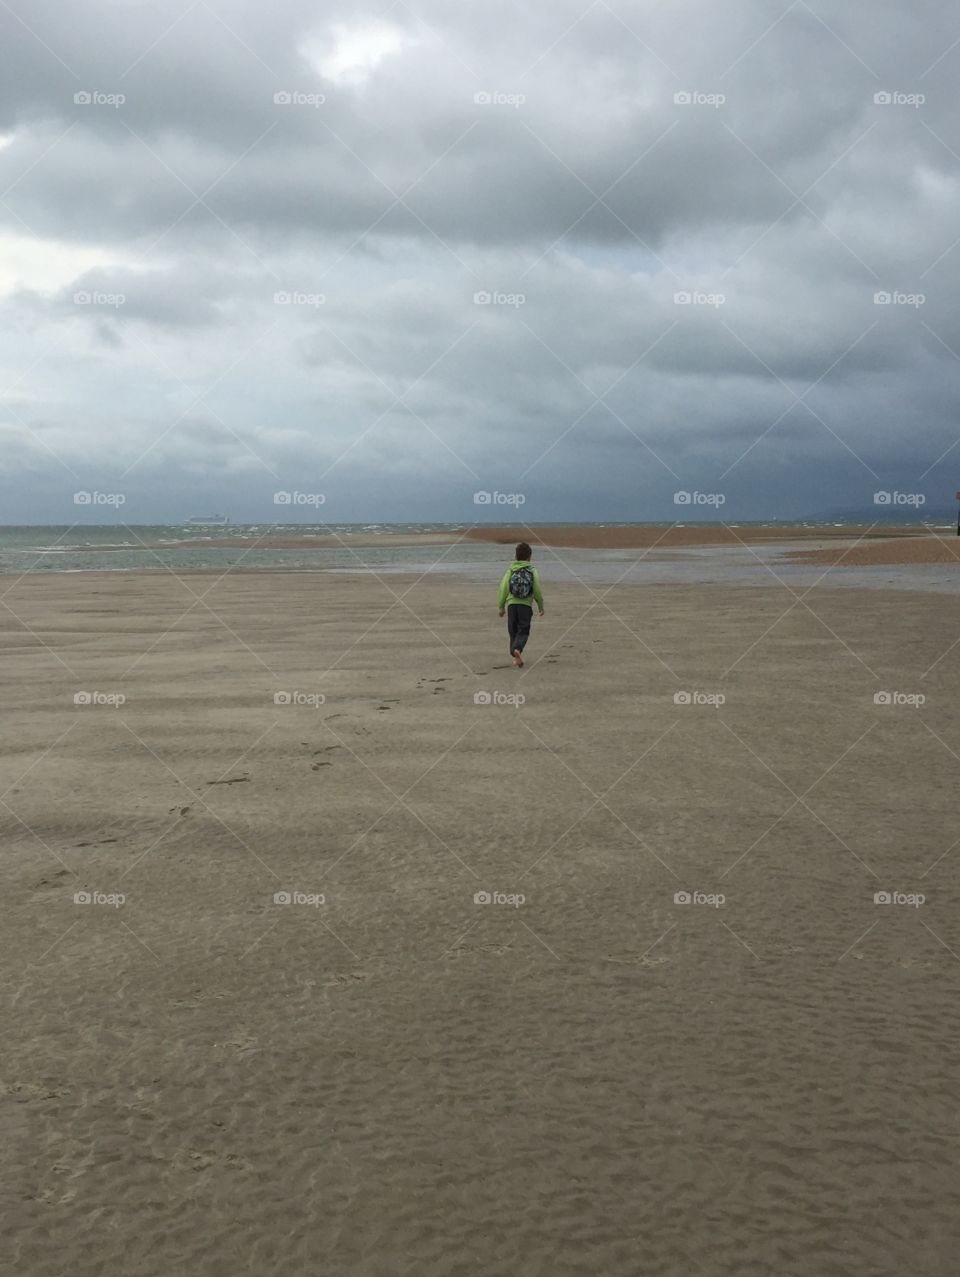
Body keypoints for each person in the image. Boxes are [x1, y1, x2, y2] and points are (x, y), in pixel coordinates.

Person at [497, 541, 544, 667]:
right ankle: (517, 650)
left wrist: (501, 606)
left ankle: (515, 655)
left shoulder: (511, 570)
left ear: (516, 556)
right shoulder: (532, 570)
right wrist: (541, 605)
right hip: (525, 606)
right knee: (523, 630)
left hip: (512, 605)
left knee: (513, 631)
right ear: (530, 557)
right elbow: (537, 589)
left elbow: (504, 588)